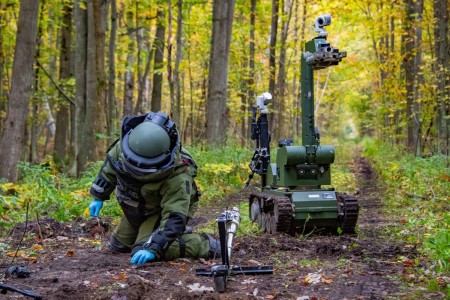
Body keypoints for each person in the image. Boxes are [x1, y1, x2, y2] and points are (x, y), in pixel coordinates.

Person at [87, 111, 220, 266]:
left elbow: (174, 216)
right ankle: (156, 234)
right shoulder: (128, 145)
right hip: (135, 207)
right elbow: (109, 169)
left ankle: (204, 244)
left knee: (143, 249)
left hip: (160, 211)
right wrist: (98, 196)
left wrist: (154, 248)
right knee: (118, 246)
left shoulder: (178, 175)